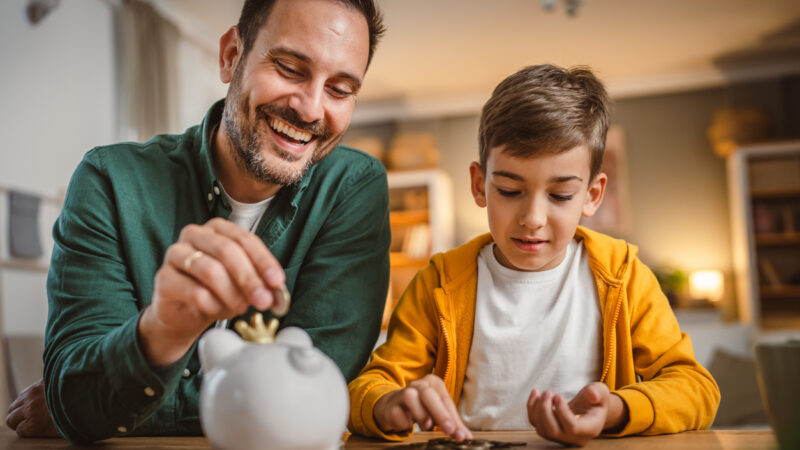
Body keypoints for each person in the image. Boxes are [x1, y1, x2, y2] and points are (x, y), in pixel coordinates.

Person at [5, 0, 389, 443]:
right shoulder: (109, 181)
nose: (310, 109)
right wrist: (161, 332)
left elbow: (317, 397)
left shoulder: (354, 188)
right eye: (288, 68)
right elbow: (75, 396)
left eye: (340, 90)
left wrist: (105, 407)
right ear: (230, 56)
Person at [347, 64, 720, 447]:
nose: (533, 219)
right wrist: (387, 404)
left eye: (560, 196)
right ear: (479, 185)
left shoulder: (624, 277)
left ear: (592, 195)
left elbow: (696, 389)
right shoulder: (439, 283)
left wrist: (616, 410)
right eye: (510, 190)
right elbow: (367, 389)